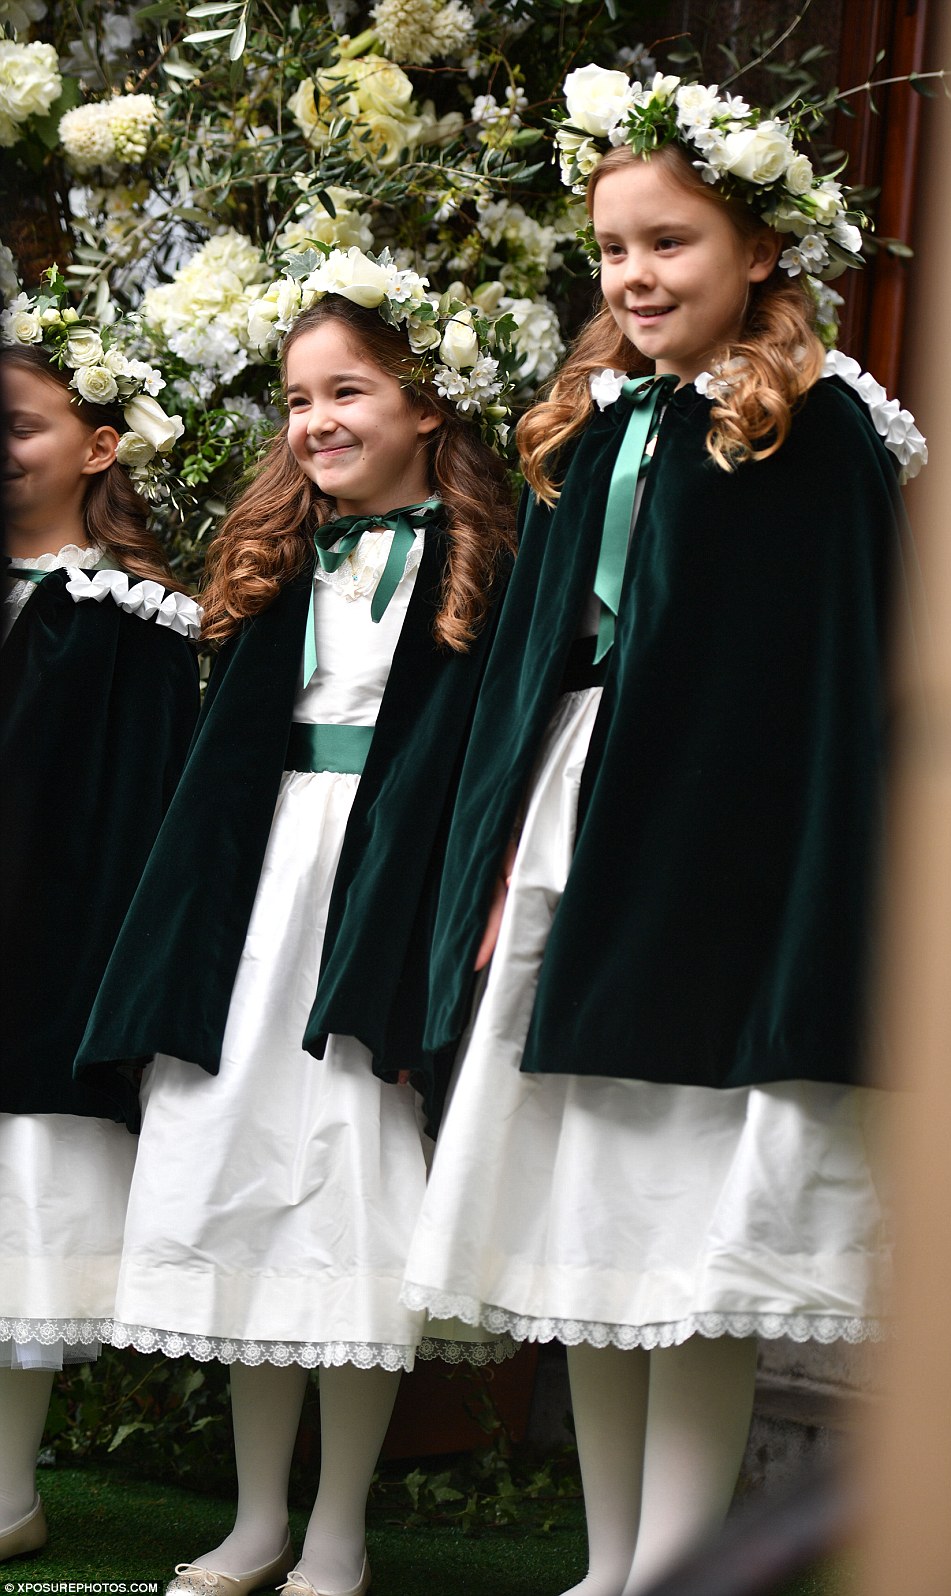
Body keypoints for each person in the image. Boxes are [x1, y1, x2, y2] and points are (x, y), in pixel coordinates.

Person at [401, 66, 927, 1596]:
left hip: (710, 864)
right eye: (612, 249)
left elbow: (823, 691)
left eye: (670, 243)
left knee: (676, 1226)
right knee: (584, 1211)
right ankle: (607, 1560)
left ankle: (679, 1565)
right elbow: (536, 665)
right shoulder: (599, 420)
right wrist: (493, 852)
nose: (633, 277)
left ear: (758, 250)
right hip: (577, 820)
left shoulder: (812, 432)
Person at [75, 251, 516, 1596]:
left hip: (376, 896)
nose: (315, 421)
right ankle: (258, 1515)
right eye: (296, 399)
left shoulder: (479, 562)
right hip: (258, 896)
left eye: (348, 392)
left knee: (350, 1188)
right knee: (246, 1180)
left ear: (423, 404)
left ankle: (338, 1532)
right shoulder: (277, 561)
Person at [0, 296, 200, 1563]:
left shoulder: (134, 619)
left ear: (101, 444)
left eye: (18, 425)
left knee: (14, 1225)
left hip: (39, 958)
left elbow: (141, 817)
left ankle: (7, 1488)